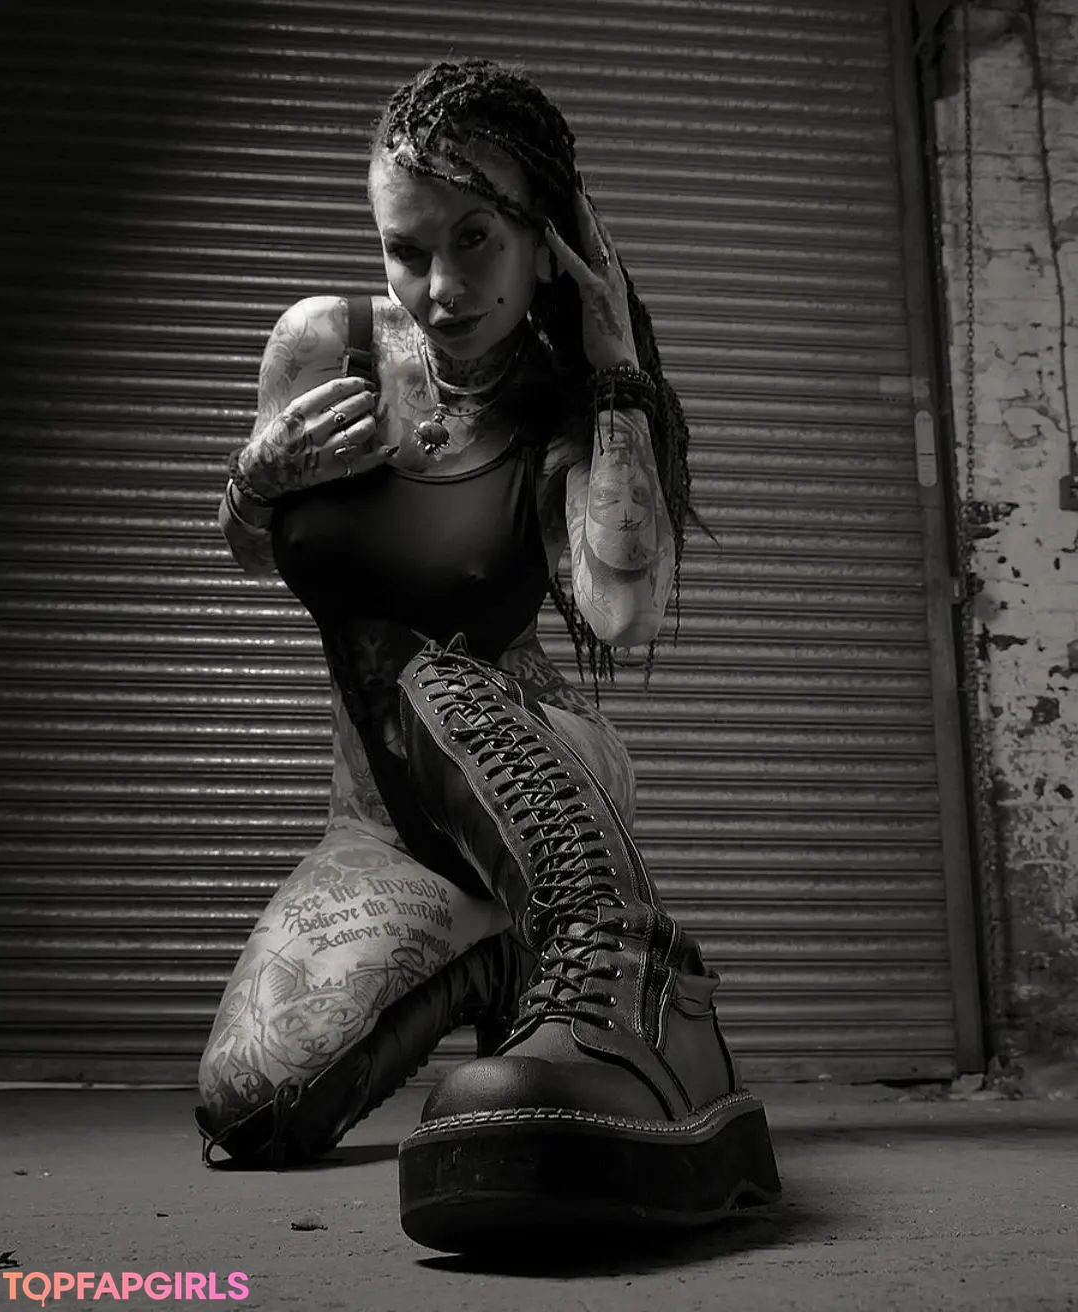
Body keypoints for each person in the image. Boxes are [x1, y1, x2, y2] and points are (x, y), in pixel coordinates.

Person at [196, 58, 779, 1250]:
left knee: (425, 668)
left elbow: (621, 613)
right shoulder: (323, 344)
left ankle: (631, 971)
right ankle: (503, 958)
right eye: (407, 249)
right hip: (380, 833)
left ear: (545, 240)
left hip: (536, 771)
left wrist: (614, 372)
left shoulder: (568, 403)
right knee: (252, 1104)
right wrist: (252, 484)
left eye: (476, 241)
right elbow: (264, 549)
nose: (442, 288)